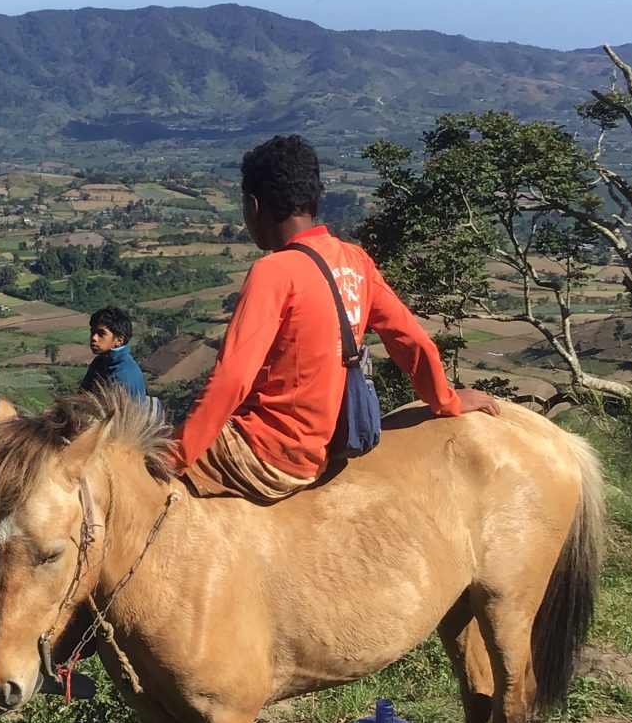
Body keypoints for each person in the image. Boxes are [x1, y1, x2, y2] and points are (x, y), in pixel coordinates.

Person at [171, 135, 499, 504]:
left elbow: (231, 379)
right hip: (326, 446)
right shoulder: (356, 260)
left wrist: (175, 458)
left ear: (255, 204)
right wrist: (448, 402)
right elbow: (413, 342)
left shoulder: (273, 271)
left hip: (269, 453)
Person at [81, 305, 149, 404]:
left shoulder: (123, 375)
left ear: (119, 340)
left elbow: (113, 415)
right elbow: (82, 396)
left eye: (101, 334)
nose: (94, 338)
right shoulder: (100, 362)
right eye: (93, 332)